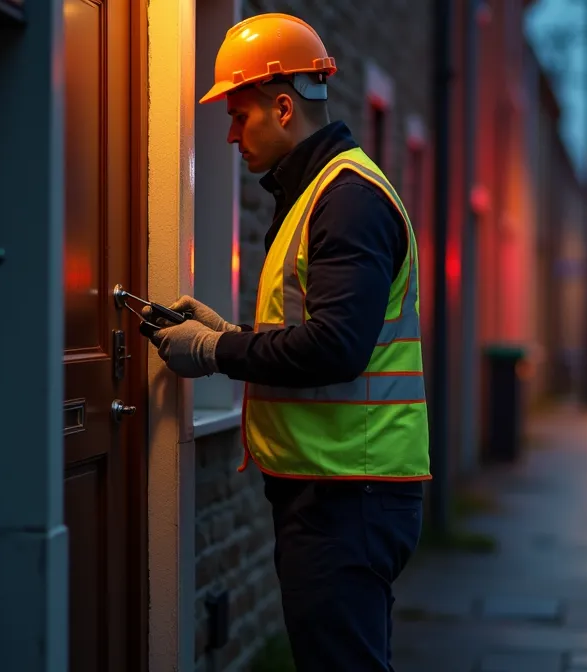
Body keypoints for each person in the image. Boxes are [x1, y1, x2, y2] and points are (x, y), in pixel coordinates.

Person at [144, 13, 429, 671]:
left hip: (347, 496)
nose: (229, 134)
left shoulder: (346, 200)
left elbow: (335, 348)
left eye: (240, 115)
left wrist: (215, 354)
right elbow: (316, 331)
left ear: (282, 105)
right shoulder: (320, 193)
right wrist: (229, 333)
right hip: (340, 490)